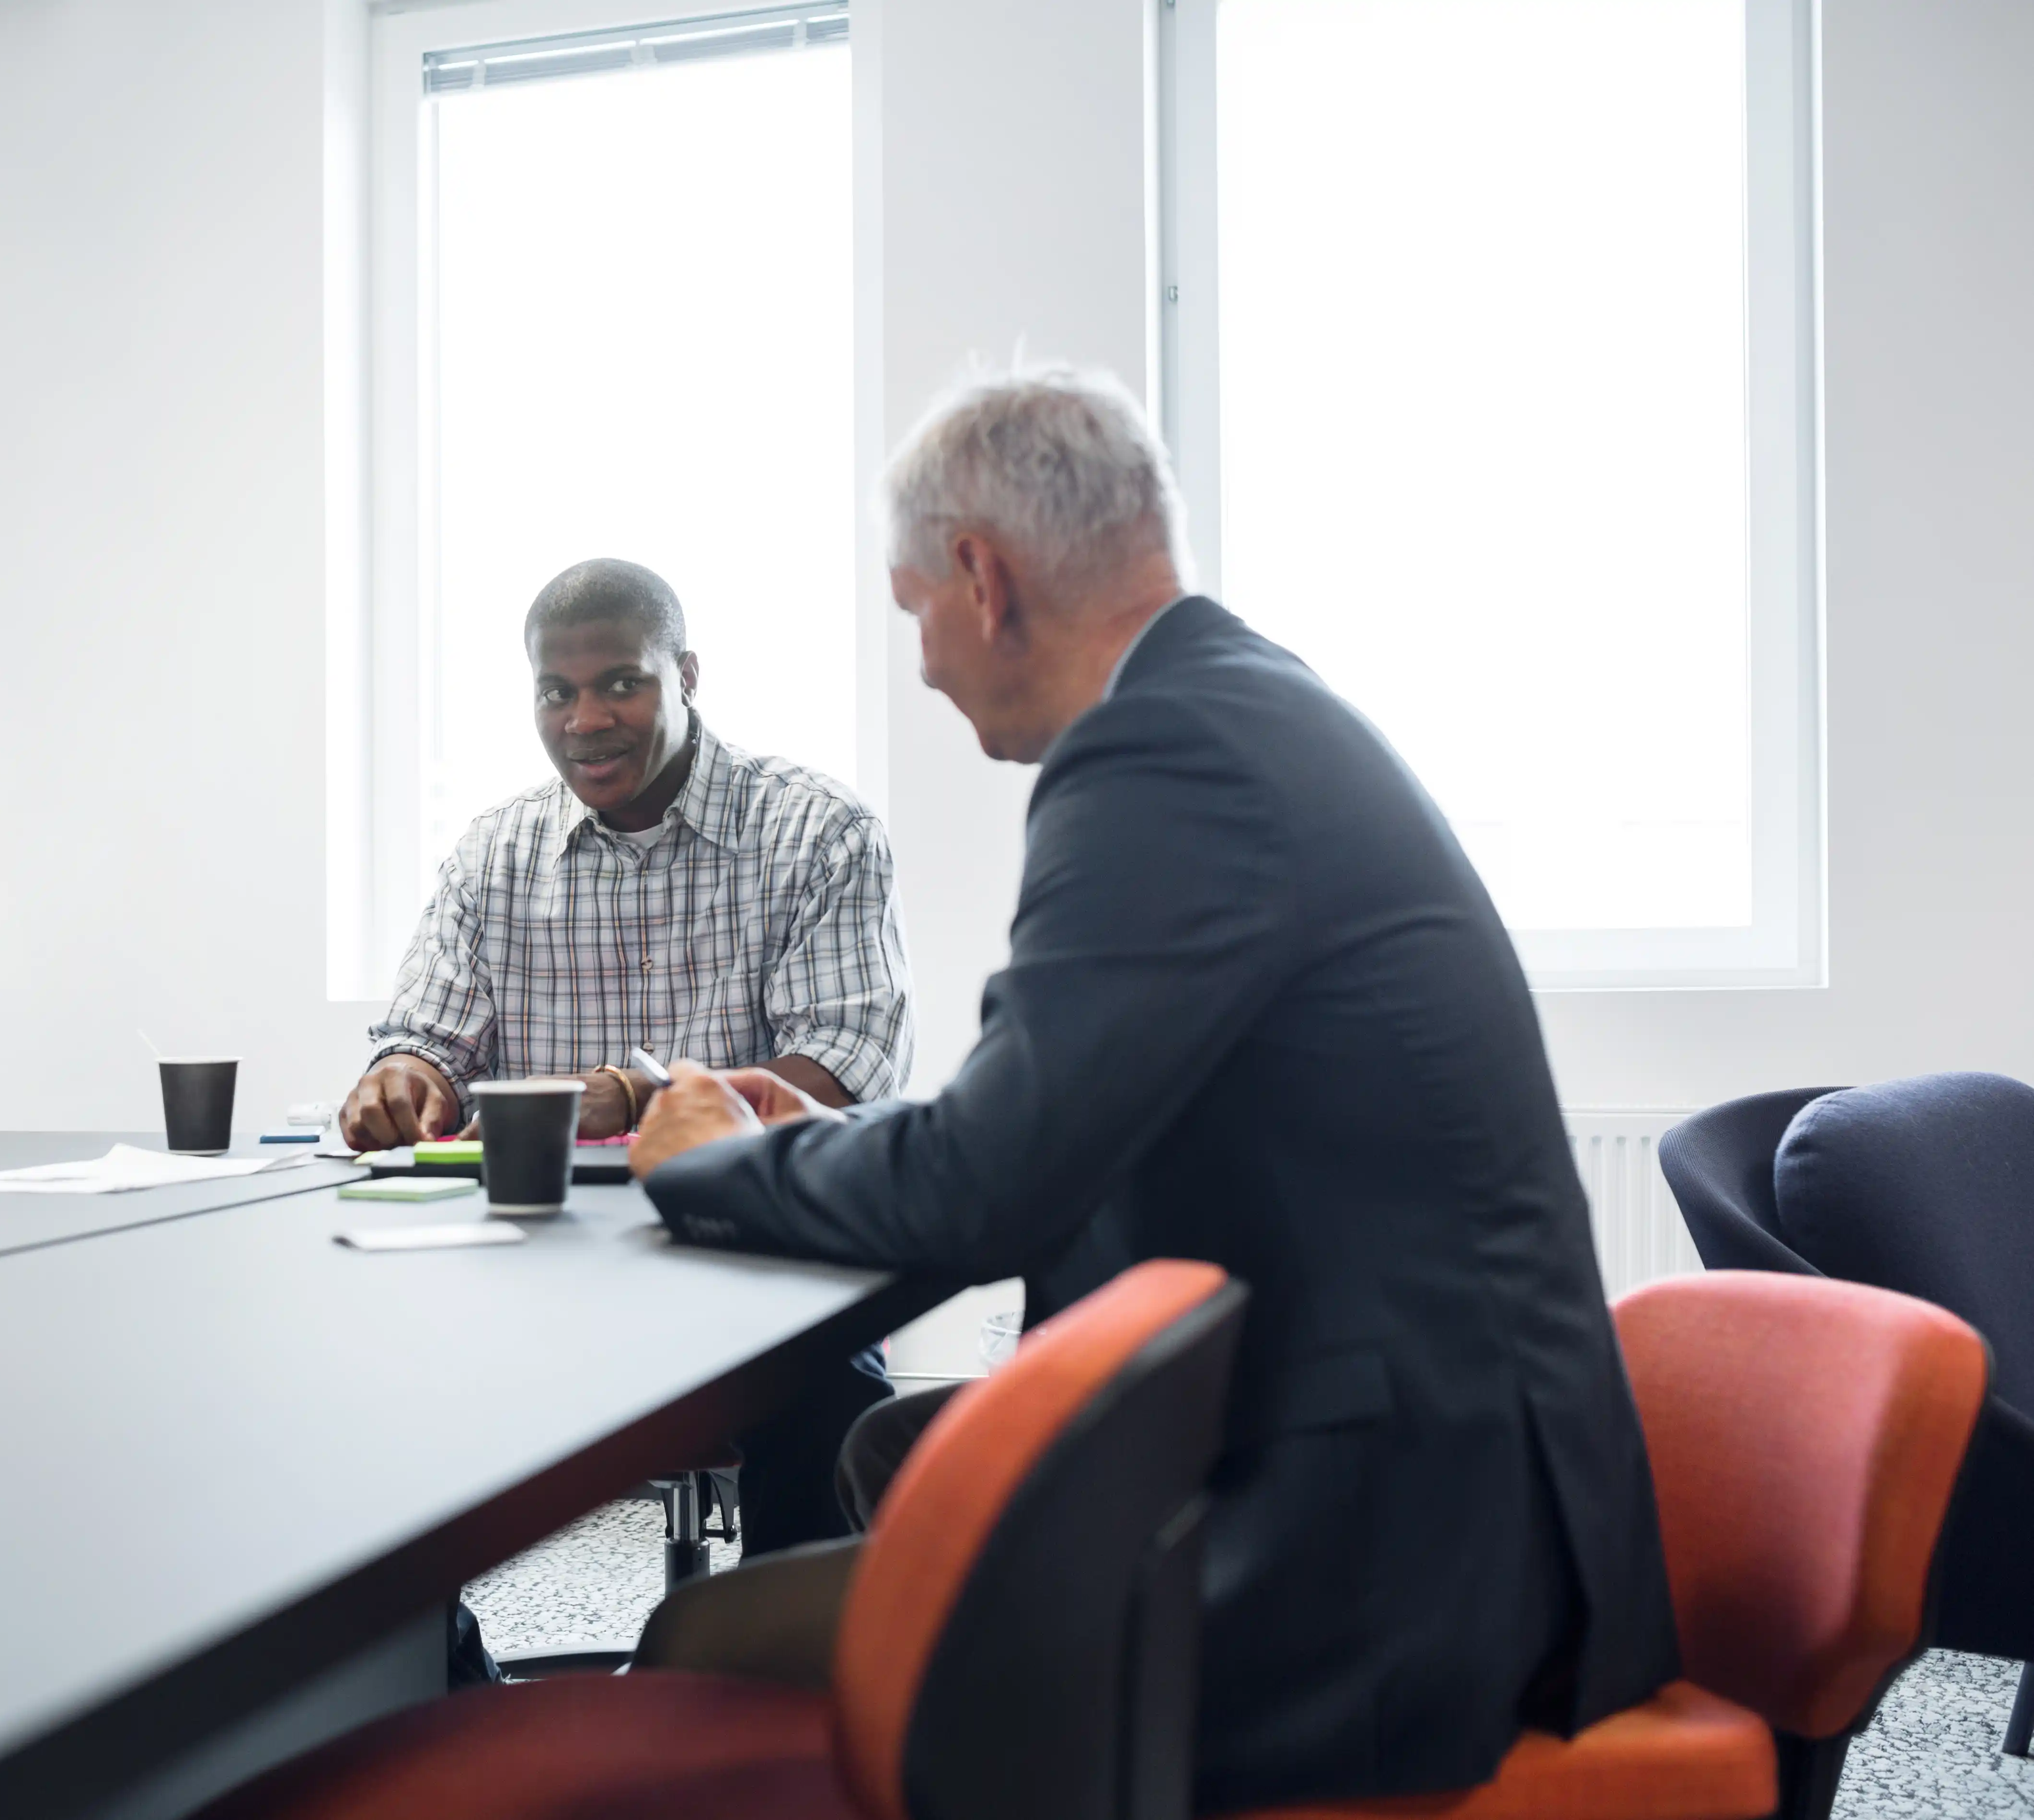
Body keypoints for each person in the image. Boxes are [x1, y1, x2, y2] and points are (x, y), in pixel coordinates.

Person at [628, 369, 1679, 1812]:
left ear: (982, 577)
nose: (923, 664)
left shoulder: (1165, 753)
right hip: (1447, 1480)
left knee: (701, 1639)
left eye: (909, 609)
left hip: (1393, 1563)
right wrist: (816, 1136)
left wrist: (697, 1156)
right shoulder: (1244, 705)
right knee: (896, 1445)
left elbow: (986, 1182)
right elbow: (1049, 1112)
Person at [341, 556, 915, 1558]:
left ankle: (789, 1686)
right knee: (353, 1391)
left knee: (832, 1405)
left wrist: (634, 1096)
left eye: (621, 683)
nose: (586, 719)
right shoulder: (494, 853)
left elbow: (842, 1066)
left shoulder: (819, 830)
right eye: (556, 692)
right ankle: (447, 1685)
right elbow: (427, 1040)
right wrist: (406, 1078)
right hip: (535, 1270)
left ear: (686, 675)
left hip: (754, 1262)